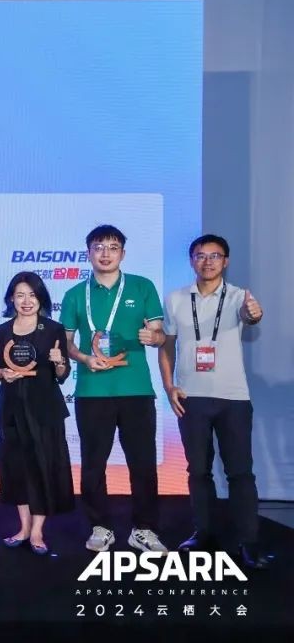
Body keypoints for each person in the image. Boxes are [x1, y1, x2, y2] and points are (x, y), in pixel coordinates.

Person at [158, 234, 269, 569]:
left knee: (240, 472)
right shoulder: (176, 299)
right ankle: (203, 533)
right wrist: (169, 386)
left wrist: (254, 313)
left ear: (226, 261)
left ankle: (248, 542)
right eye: (200, 255)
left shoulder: (238, 297)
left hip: (233, 398)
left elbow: (251, 316)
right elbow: (167, 345)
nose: (207, 261)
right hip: (190, 398)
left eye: (215, 255)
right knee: (198, 471)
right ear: (192, 260)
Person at [60, 224, 167, 553]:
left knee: (143, 462)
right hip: (92, 390)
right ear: (88, 253)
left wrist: (154, 337)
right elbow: (66, 343)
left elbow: (159, 334)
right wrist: (84, 358)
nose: (105, 254)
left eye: (113, 247)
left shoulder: (142, 286)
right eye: (98, 247)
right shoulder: (75, 294)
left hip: (136, 389)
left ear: (123, 252)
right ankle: (100, 526)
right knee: (93, 463)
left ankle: (144, 529)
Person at [0, 272, 75, 555]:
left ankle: (38, 530)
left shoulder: (53, 329)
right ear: (11, 299)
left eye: (32, 295)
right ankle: (23, 527)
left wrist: (59, 362)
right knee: (16, 469)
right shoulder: (0, 332)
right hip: (11, 409)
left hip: (44, 409)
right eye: (20, 295)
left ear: (41, 299)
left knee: (43, 467)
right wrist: (2, 373)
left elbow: (62, 374)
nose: (26, 301)